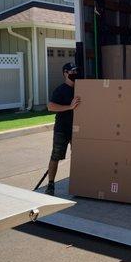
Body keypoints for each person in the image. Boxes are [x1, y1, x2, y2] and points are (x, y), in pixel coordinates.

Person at [44, 62, 81, 195]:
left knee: (79, 156)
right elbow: (51, 107)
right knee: (56, 156)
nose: (74, 74)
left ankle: (79, 183)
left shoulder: (81, 88)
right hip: (62, 129)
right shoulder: (60, 90)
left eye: (76, 71)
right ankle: (50, 185)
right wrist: (69, 107)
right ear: (65, 73)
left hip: (77, 129)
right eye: (72, 71)